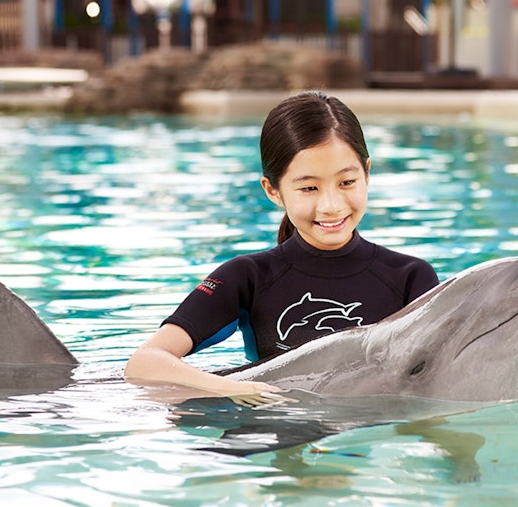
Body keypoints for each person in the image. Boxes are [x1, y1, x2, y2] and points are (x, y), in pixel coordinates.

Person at [124, 91, 439, 403]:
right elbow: (144, 364)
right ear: (273, 191)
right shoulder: (247, 277)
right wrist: (235, 389)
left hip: (372, 438)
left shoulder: (411, 278)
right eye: (309, 188)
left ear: (367, 173)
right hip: (275, 433)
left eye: (347, 182)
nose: (331, 205)